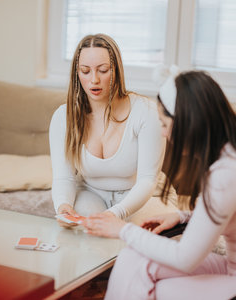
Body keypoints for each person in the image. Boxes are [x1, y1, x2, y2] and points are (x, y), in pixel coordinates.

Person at [83, 70, 236, 299]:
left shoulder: (228, 173)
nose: (162, 133)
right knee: (133, 258)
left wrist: (122, 229)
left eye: (164, 123)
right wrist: (183, 217)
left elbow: (185, 257)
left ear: (188, 124)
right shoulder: (229, 157)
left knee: (161, 291)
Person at [49, 34, 164, 226]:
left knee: (134, 238)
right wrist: (63, 206)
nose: (94, 80)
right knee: (86, 235)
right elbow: (63, 177)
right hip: (91, 193)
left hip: (144, 196)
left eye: (103, 70)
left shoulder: (146, 112)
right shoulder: (63, 117)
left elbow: (147, 180)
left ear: (116, 70)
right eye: (85, 71)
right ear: (76, 73)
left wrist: (114, 214)